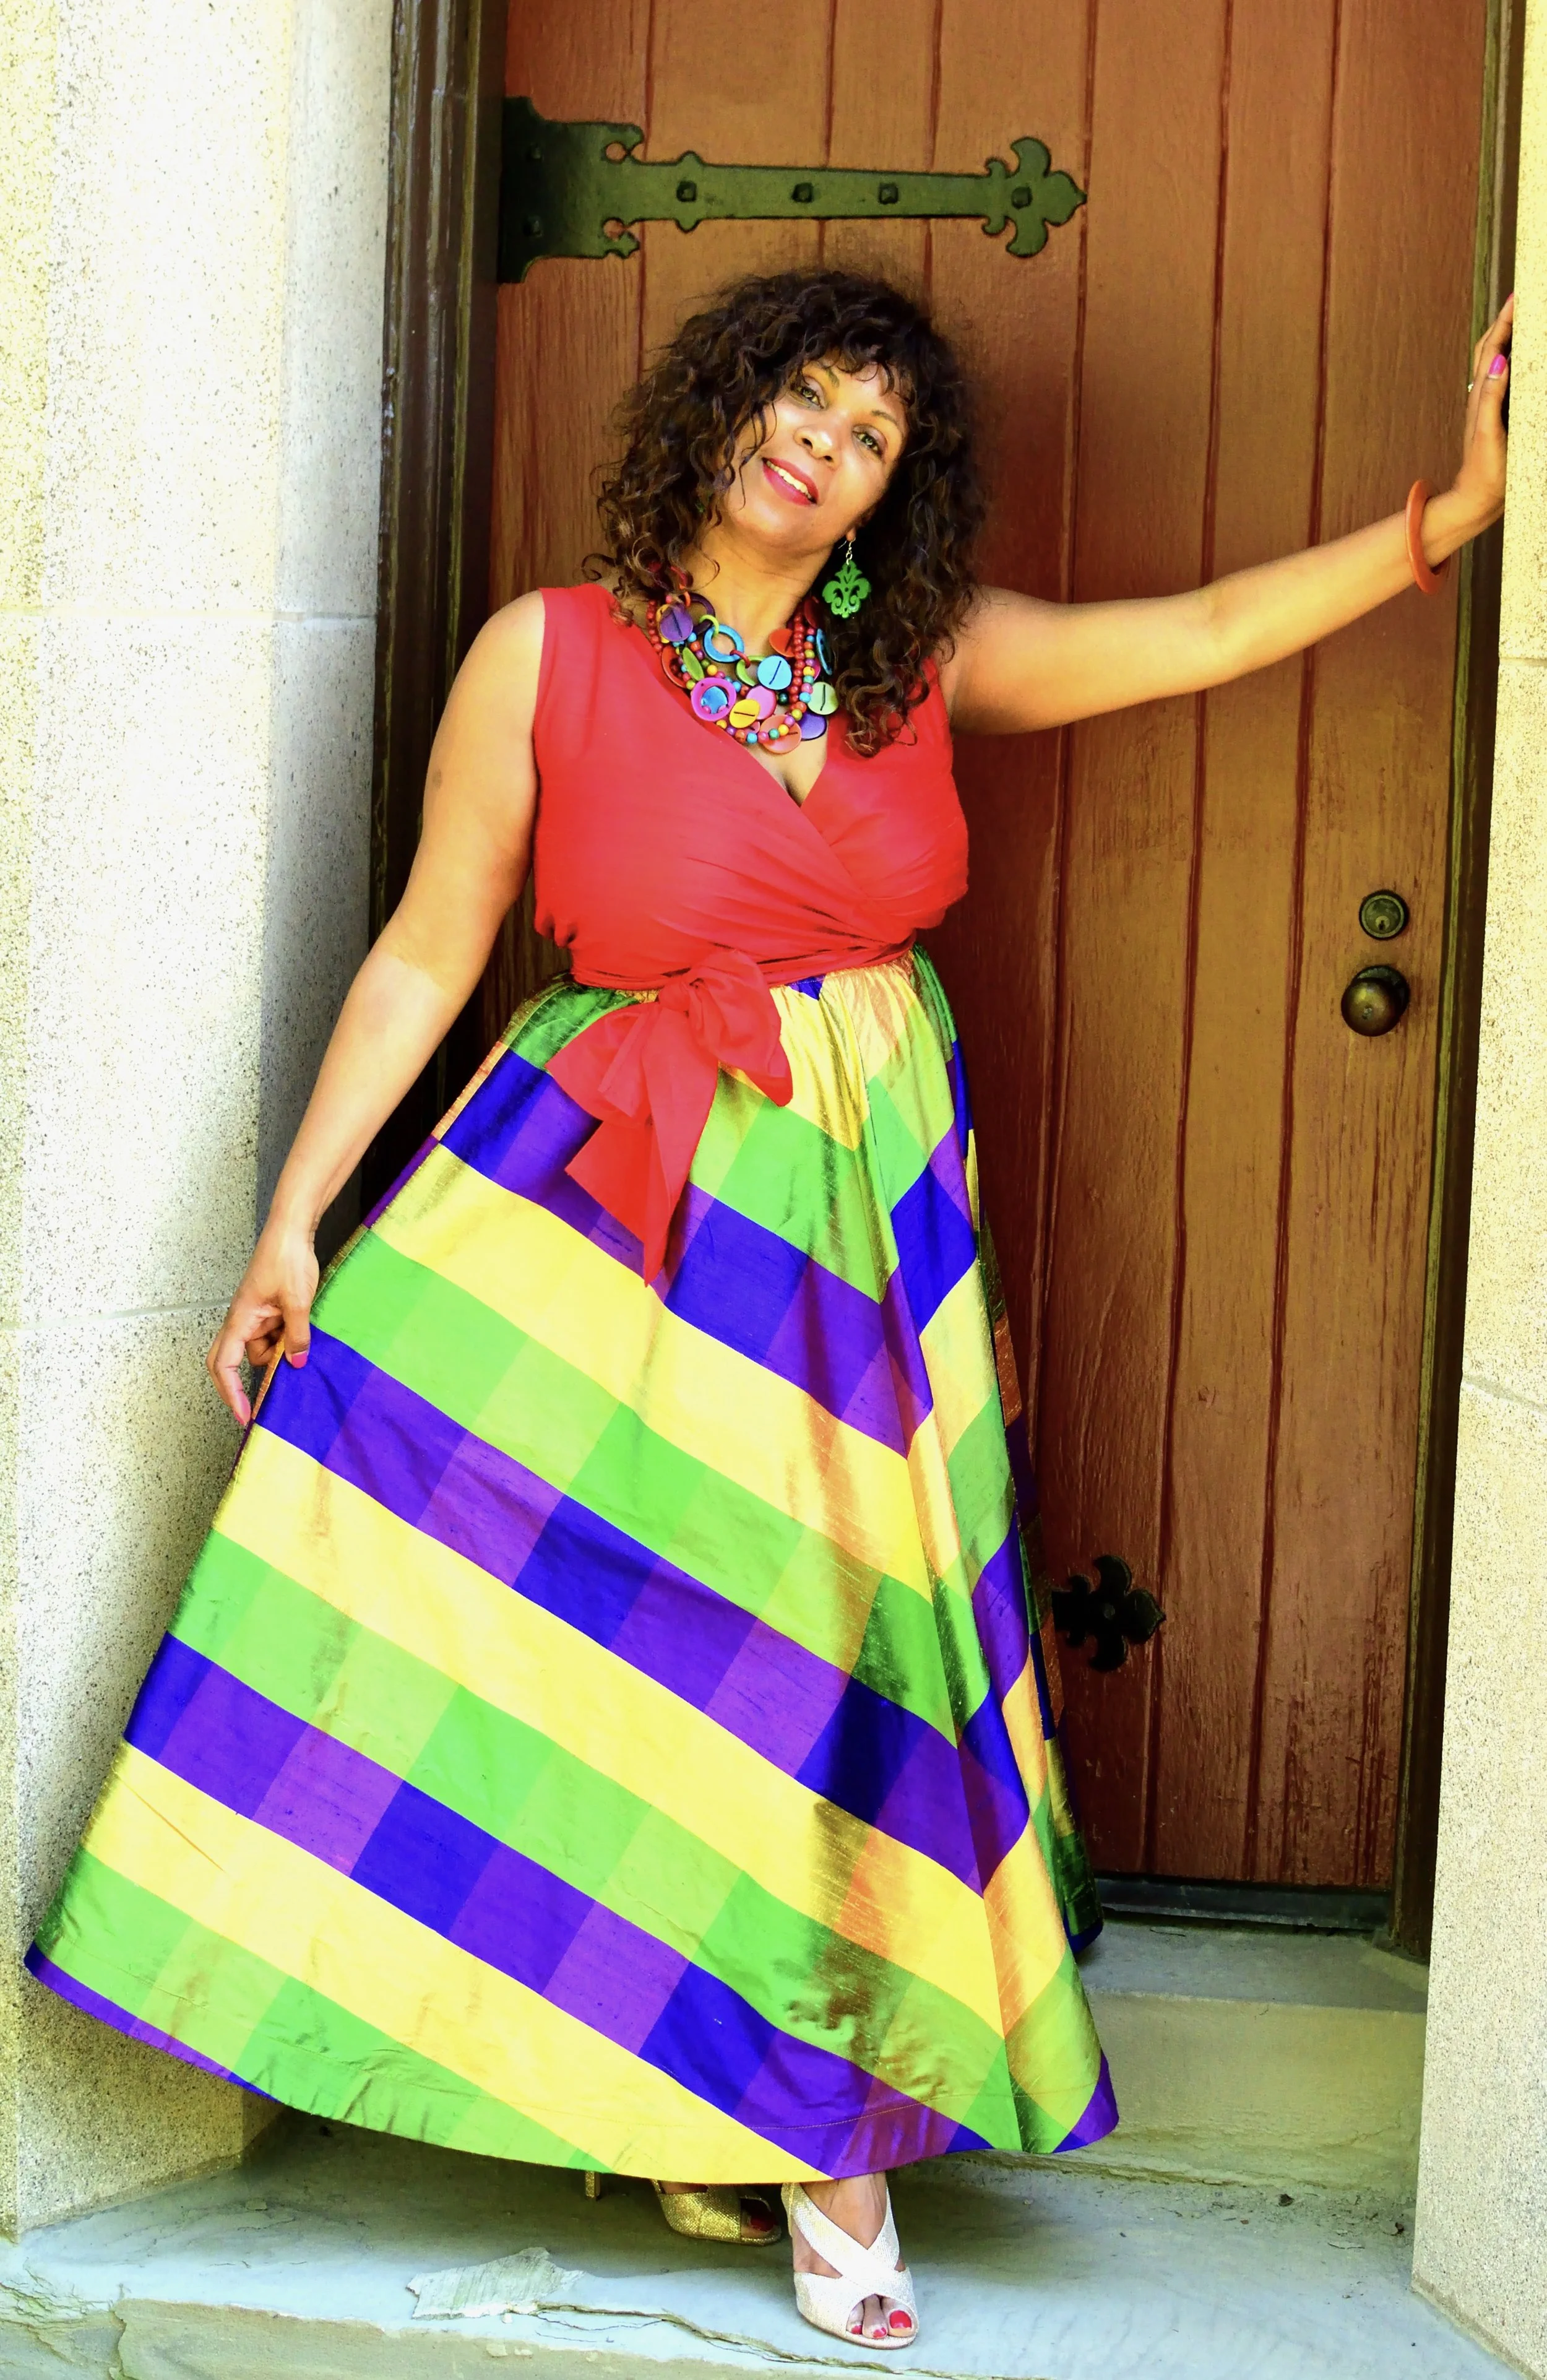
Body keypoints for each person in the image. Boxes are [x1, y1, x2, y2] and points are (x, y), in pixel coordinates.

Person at [28, 269, 1509, 2354]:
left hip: (853, 1239)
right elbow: (424, 955)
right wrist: (294, 1224)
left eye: (873, 435)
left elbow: (1190, 637)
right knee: (626, 1655)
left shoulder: (915, 663)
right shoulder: (544, 653)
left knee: (834, 1655)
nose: (823, 440)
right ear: (727, 407)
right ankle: (726, 2108)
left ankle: (821, 2133)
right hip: (598, 1223)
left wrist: (1444, 516)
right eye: (802, 395)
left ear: (886, 500)